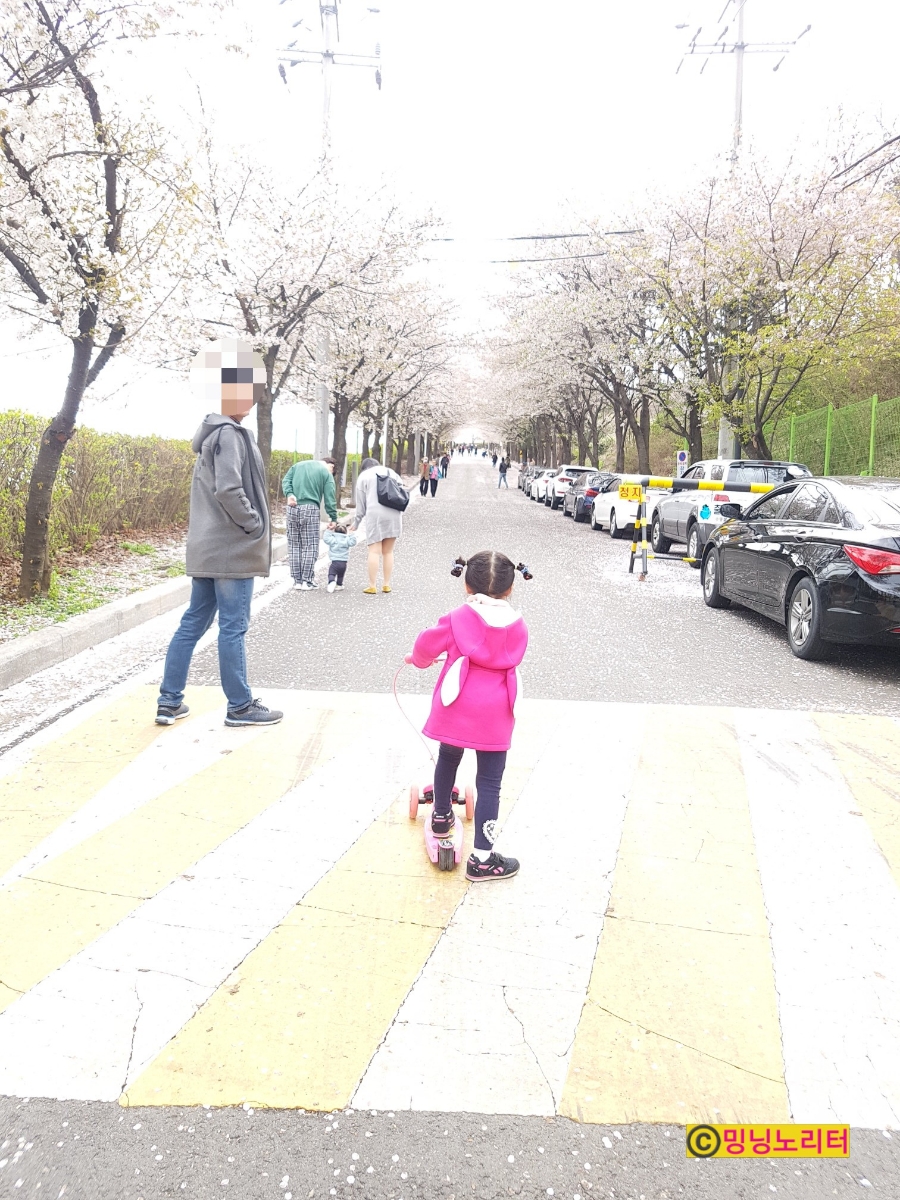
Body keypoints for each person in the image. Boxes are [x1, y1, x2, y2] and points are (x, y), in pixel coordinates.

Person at [156, 339, 282, 729]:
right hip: (232, 550)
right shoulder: (230, 435)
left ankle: (169, 701)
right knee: (233, 627)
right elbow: (229, 489)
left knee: (193, 623)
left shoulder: (212, 434)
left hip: (208, 547)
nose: (251, 398)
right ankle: (240, 706)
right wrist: (254, 525)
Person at [405, 551, 531, 881]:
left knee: (448, 757)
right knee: (490, 782)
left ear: (465, 584)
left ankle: (441, 815)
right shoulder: (518, 625)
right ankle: (483, 858)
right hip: (497, 710)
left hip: (457, 703)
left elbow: (425, 646)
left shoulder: (457, 618)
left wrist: (418, 661)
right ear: (510, 588)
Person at [282, 456, 338, 590]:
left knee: (294, 545)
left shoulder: (298, 465)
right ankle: (307, 580)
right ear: (331, 465)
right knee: (310, 546)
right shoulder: (326, 473)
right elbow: (330, 497)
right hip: (310, 509)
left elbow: (286, 481)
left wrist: (289, 494)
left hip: (292, 508)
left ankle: (297, 581)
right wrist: (333, 517)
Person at [352, 456, 405, 594]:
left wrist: (356, 522)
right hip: (394, 513)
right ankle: (386, 584)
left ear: (364, 467)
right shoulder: (392, 473)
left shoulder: (364, 476)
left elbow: (361, 506)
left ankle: (372, 585)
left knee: (374, 551)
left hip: (375, 516)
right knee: (388, 551)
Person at [322, 523, 357, 593]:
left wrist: (328, 530)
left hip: (335, 562)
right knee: (340, 575)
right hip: (343, 562)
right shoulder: (347, 539)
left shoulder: (333, 539)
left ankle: (331, 581)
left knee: (331, 573)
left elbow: (325, 539)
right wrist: (351, 533)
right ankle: (339, 585)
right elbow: (353, 542)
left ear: (335, 531)